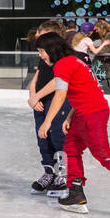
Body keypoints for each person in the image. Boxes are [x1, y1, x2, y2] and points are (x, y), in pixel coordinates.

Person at [32, 32, 110, 214]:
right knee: (71, 149)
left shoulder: (63, 65)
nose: (40, 55)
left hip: (93, 113)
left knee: (103, 154)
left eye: (41, 50)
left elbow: (60, 96)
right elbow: (84, 89)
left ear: (51, 50)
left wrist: (47, 122)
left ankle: (75, 191)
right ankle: (75, 193)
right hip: (83, 112)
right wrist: (69, 117)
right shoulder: (72, 61)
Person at [26, 20, 70, 195]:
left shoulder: (64, 57)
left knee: (58, 135)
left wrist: (37, 95)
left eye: (42, 34)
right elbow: (38, 75)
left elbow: (58, 81)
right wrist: (32, 94)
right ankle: (49, 172)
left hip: (57, 100)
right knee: (42, 137)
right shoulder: (44, 56)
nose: (37, 37)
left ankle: (63, 173)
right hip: (40, 102)